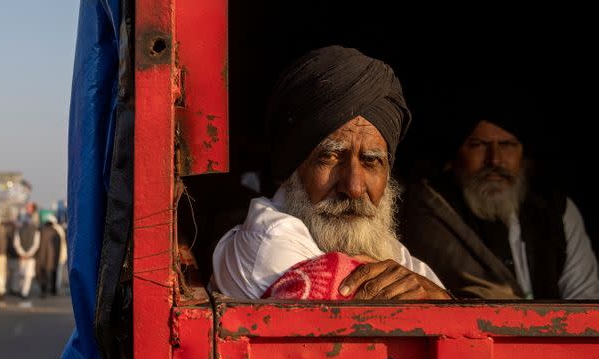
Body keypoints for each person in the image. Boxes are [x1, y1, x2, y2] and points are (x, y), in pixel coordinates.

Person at [213, 45, 450, 301]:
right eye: (330, 157)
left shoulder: (388, 250)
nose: (354, 187)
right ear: (294, 168)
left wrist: (440, 298)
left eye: (371, 161)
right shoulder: (269, 243)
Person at [399, 105, 599, 299]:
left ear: (524, 155)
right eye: (478, 145)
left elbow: (583, 299)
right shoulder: (430, 209)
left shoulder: (557, 210)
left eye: (507, 145)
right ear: (456, 155)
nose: (494, 160)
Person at [13, 215, 40, 302]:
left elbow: (16, 243)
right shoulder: (36, 231)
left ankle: (22, 291)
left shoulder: (19, 230)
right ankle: (24, 293)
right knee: (27, 276)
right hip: (30, 258)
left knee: (21, 275)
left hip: (22, 257)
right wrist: (29, 254)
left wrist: (22, 254)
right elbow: (36, 244)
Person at [36, 215, 61, 297]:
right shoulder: (56, 233)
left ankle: (43, 290)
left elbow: (37, 244)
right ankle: (53, 290)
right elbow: (58, 247)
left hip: (41, 256)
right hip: (53, 258)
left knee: (43, 274)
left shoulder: (41, 231)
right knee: (53, 273)